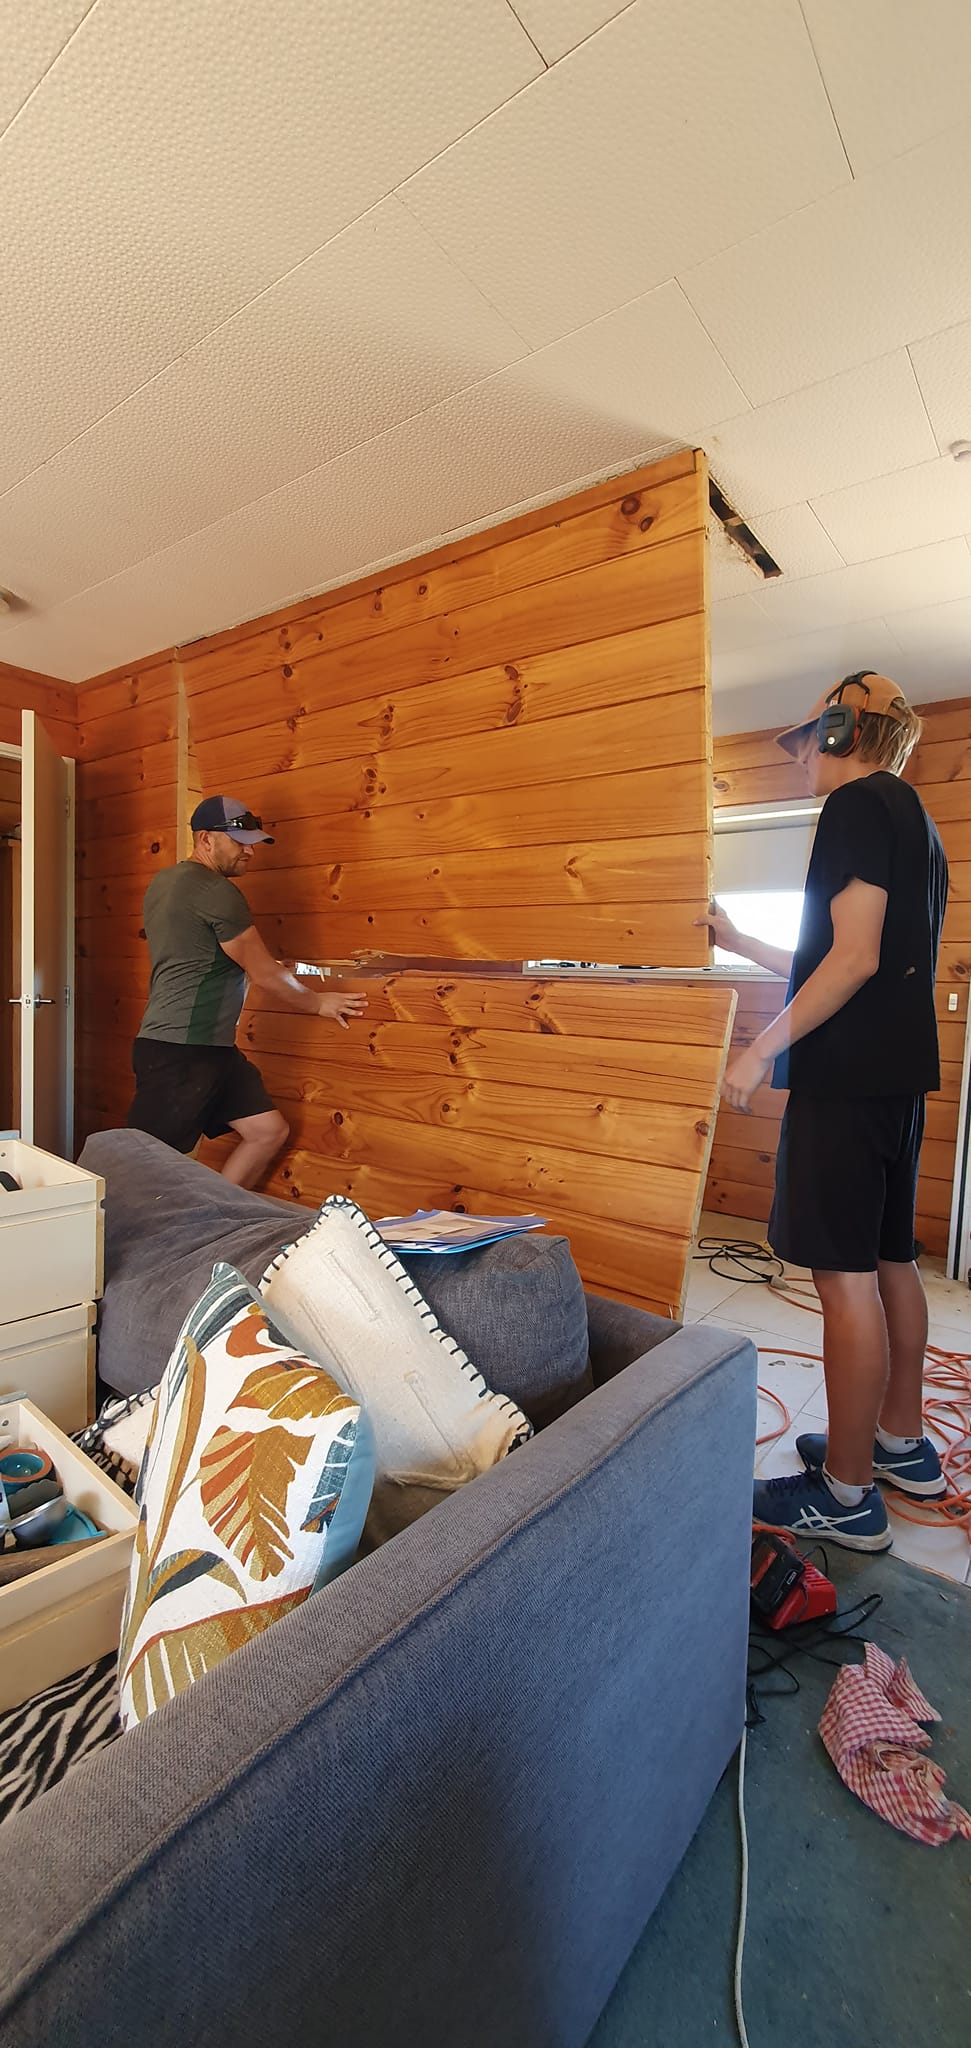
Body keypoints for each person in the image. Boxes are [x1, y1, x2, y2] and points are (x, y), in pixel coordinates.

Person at [700, 673, 948, 1552]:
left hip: (843, 1083)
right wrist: (736, 941)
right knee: (888, 1259)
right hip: (894, 1080)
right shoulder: (914, 822)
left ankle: (845, 1495)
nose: (800, 755)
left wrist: (759, 1050)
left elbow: (850, 962)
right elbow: (839, 955)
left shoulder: (853, 805)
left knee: (841, 1278)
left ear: (842, 731)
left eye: (807, 738)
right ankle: (898, 1444)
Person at [127, 794, 366, 1188]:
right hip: (184, 1051)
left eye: (252, 843)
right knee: (141, 1166)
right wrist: (318, 1003)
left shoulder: (164, 883)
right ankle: (104, 1225)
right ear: (205, 839)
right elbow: (265, 974)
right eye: (239, 842)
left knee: (267, 1131)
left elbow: (203, 954)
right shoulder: (215, 892)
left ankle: (220, 1214)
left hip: (204, 1047)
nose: (249, 852)